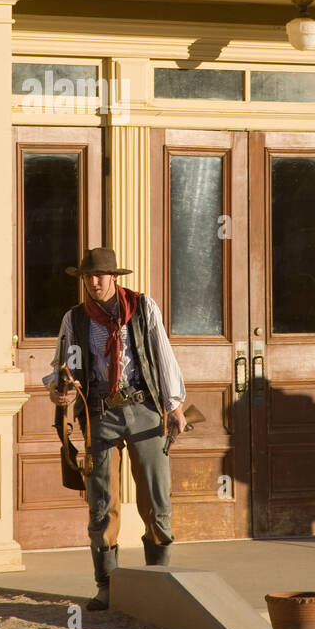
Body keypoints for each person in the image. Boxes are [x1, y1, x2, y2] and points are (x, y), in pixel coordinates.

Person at [49, 246, 186, 610]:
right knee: (102, 502)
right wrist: (60, 389)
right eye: (87, 277)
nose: (93, 283)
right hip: (100, 415)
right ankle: (106, 585)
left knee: (156, 497)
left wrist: (174, 406)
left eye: (100, 276)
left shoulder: (142, 308)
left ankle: (159, 581)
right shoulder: (74, 319)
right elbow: (67, 365)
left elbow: (162, 353)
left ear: (114, 277)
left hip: (145, 408)